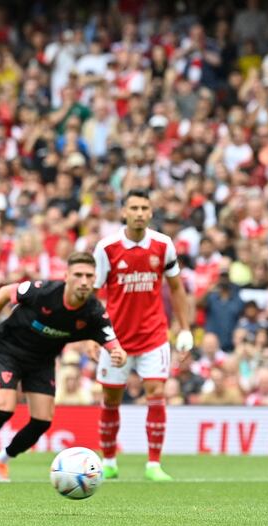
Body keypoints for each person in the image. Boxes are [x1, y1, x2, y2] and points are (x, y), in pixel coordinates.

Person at [0, 252, 126, 482]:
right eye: (78, 275)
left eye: (89, 276)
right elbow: (2, 293)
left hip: (42, 360)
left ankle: (2, 460)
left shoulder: (94, 312)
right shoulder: (43, 291)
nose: (83, 281)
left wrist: (119, 354)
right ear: (66, 276)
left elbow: (114, 345)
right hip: (10, 348)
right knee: (4, 408)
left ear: (95, 279)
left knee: (42, 420)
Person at [93, 189, 193, 482]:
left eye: (144, 208)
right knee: (111, 399)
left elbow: (176, 288)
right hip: (115, 339)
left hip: (153, 336)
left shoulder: (163, 245)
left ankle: (153, 464)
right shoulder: (106, 248)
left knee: (157, 393)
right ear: (124, 212)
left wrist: (184, 326)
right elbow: (97, 296)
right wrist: (93, 336)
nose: (139, 212)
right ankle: (109, 460)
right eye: (133, 207)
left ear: (151, 213)